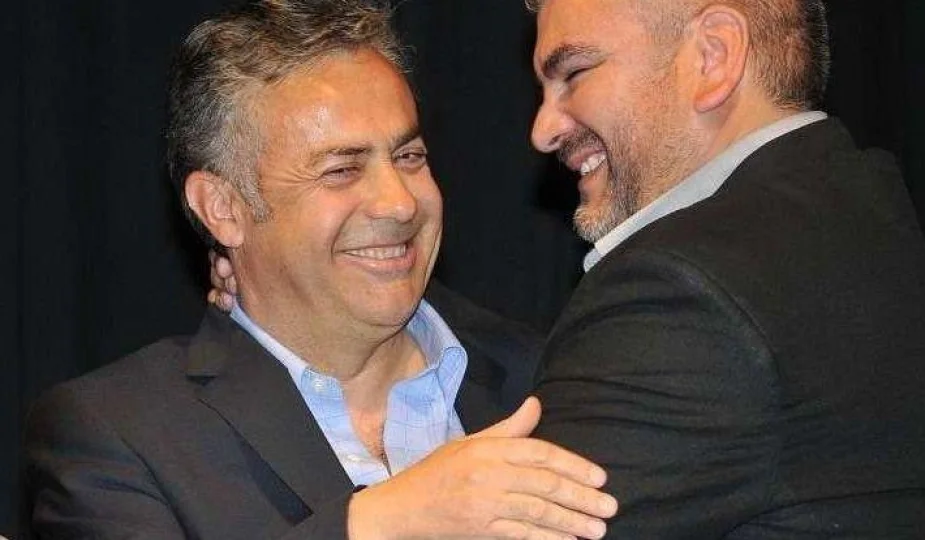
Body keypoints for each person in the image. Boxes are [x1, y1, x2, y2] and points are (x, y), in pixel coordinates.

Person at [20, 2, 617, 539]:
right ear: (224, 208)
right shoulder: (121, 435)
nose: (399, 203)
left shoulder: (563, 376)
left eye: (409, 156)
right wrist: (381, 523)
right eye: (342, 170)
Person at [522, 0, 925, 536]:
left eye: (575, 73)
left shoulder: (681, 289)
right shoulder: (862, 214)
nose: (543, 129)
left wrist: (429, 509)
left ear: (714, 56)